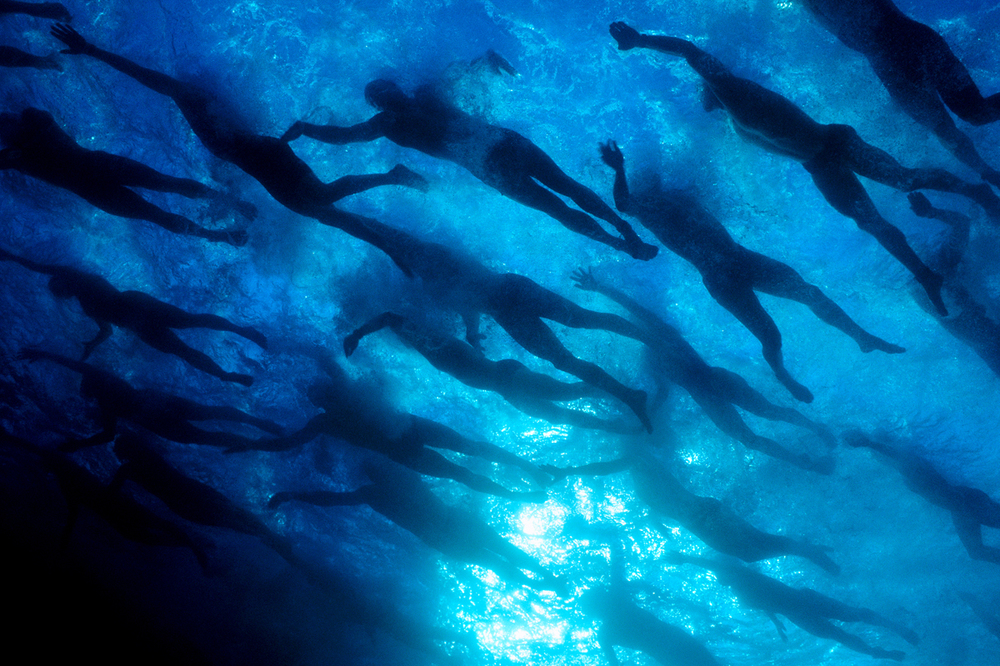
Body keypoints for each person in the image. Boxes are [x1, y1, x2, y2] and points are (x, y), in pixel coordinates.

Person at [608, 22, 1000, 317]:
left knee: (905, 179)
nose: (700, 95)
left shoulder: (731, 88)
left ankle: (975, 190)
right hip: (817, 165)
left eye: (702, 90)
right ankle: (925, 275)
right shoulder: (733, 120)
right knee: (870, 222)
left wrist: (639, 40)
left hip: (836, 143)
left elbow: (689, 51)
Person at [50, 24, 428, 273]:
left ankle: (391, 177)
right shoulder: (214, 106)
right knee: (328, 214)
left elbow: (147, 78)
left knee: (325, 199)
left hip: (267, 161)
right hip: (267, 164)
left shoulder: (192, 98)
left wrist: (93, 50)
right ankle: (390, 247)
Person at [598, 141, 905, 402]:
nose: (653, 181)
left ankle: (862, 336)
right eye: (647, 181)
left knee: (810, 293)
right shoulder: (648, 209)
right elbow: (624, 203)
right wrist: (619, 169)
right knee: (771, 335)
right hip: (720, 279)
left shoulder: (680, 195)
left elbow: (717, 194)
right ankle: (782, 375)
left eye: (653, 177)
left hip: (742, 258)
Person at [327, 215, 654, 431]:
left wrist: (351, 222)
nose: (408, 257)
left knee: (582, 319)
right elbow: (469, 305)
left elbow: (389, 236)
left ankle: (648, 337)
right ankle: (629, 396)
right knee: (562, 360)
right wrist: (472, 334)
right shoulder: (431, 287)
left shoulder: (435, 253)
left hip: (513, 289)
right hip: (506, 314)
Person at [281, 78, 658, 260]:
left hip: (497, 156)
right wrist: (307, 129)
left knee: (562, 198)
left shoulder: (396, 117)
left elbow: (347, 135)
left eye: (384, 91)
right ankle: (620, 236)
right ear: (384, 98)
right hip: (500, 149)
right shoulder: (409, 107)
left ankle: (620, 235)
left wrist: (307, 129)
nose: (387, 96)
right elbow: (346, 135)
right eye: (382, 94)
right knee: (562, 197)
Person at [572, 267, 836, 471]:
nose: (632, 327)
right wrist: (647, 416)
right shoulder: (647, 359)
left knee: (769, 412)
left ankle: (817, 428)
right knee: (748, 438)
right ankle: (802, 462)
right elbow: (663, 391)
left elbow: (634, 308)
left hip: (716, 379)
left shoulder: (663, 333)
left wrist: (600, 288)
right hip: (706, 395)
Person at [228, 378, 547, 500]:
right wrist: (252, 444)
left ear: (328, 390)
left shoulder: (351, 394)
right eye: (314, 395)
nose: (319, 397)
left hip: (411, 430)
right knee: (460, 472)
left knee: (468, 449)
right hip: (404, 449)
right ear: (317, 402)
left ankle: (527, 467)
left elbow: (379, 381)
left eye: (318, 391)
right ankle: (517, 494)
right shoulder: (326, 422)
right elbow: (290, 442)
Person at [270, 458, 562, 591]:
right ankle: (542, 578)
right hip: (453, 525)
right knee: (502, 554)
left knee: (496, 559)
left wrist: (294, 495)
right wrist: (293, 495)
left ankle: (538, 581)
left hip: (444, 534)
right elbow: (331, 499)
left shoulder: (375, 492)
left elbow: (332, 499)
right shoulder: (402, 479)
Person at [546, 443, 840, 572]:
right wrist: (661, 530)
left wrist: (568, 471)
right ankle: (808, 549)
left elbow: (605, 467)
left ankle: (809, 550)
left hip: (703, 516)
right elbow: (659, 506)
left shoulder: (638, 462)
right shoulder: (644, 479)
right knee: (752, 549)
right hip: (700, 517)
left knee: (751, 550)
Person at [0, 245, 265, 384]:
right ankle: (225, 375)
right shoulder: (86, 305)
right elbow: (106, 329)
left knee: (190, 321)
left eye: (59, 289)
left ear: (63, 283)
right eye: (60, 294)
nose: (62, 294)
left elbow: (38, 266)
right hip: (135, 322)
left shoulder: (80, 279)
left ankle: (243, 331)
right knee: (182, 350)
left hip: (137, 307)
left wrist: (11, 257)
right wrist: (92, 344)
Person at [800, 0, 1000, 184]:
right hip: (892, 70)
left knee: (977, 114)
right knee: (946, 132)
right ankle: (989, 173)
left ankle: (988, 173)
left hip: (917, 45)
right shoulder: (808, 4)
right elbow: (851, 37)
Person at [344, 311, 636, 433]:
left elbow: (388, 317)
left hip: (508, 377)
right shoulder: (428, 345)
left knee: (567, 393)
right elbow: (391, 320)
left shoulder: (434, 340)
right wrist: (472, 335)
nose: (409, 337)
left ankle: (627, 393)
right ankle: (620, 426)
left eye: (409, 333)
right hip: (505, 387)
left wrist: (357, 333)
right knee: (560, 415)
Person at [0, 108, 251, 246]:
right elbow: (31, 118)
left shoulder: (22, 147)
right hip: (99, 174)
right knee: (159, 198)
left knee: (161, 192)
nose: (5, 117)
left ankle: (227, 217)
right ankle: (220, 228)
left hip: (95, 176)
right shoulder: (28, 138)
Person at [666, 552, 918, 660]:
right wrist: (776, 624)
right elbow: (766, 604)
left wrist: (686, 558)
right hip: (801, 605)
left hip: (802, 607)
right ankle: (892, 638)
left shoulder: (743, 577)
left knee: (846, 626)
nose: (721, 574)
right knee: (850, 621)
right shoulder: (742, 590)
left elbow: (719, 567)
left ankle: (888, 643)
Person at [18, 348, 281, 450]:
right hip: (155, 400)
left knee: (204, 436)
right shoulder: (111, 382)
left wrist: (77, 445)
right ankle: (258, 423)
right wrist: (44, 353)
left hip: (149, 417)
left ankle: (253, 443)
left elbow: (108, 436)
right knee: (209, 412)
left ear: (90, 393)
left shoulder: (106, 405)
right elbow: (73, 363)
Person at [110, 430, 298, 565]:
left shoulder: (128, 469)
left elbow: (111, 492)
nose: (116, 453)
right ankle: (274, 538)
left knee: (230, 521)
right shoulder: (149, 454)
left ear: (125, 451)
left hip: (183, 503)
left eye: (117, 450)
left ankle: (274, 543)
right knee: (236, 513)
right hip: (193, 489)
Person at [844, 431, 1000, 565]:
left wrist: (870, 443)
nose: (876, 458)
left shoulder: (908, 462)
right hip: (961, 508)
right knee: (975, 552)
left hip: (966, 503)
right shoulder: (904, 468)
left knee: (978, 549)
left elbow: (899, 455)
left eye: (877, 455)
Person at [907, 192, 1000, 380]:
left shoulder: (929, 272)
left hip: (977, 331)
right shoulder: (943, 261)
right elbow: (962, 223)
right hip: (980, 331)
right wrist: (931, 212)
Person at [579, 584, 721, 666]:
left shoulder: (605, 634)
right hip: (678, 640)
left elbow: (613, 663)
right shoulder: (619, 600)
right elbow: (617, 565)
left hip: (667, 655)